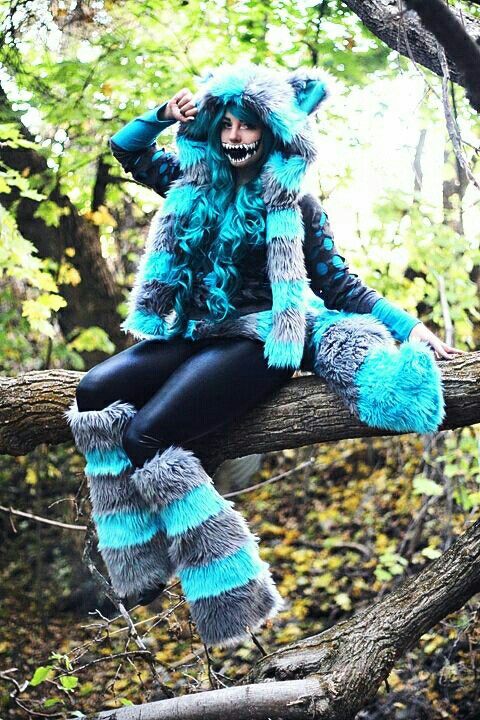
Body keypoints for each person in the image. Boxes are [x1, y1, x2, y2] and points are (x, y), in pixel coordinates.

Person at [65, 62, 460, 649]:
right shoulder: (193, 182)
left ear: (273, 132)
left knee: (145, 435)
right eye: (226, 124)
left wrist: (409, 327)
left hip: (262, 339)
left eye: (249, 126)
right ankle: (137, 559)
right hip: (198, 331)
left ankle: (231, 589)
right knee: (94, 392)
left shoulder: (296, 205)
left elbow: (339, 284)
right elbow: (128, 149)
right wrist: (162, 115)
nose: (235, 137)